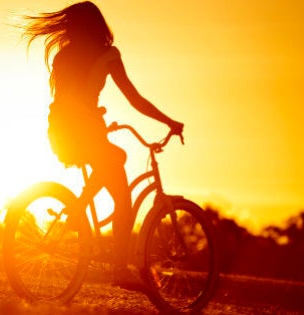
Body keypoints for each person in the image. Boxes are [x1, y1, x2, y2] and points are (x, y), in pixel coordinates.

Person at [21, 1, 184, 286]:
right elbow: (134, 99)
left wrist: (93, 115)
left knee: (114, 158)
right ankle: (119, 269)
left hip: (60, 131)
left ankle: (78, 208)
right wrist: (169, 122)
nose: (68, 30)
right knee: (122, 195)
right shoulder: (108, 54)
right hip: (84, 129)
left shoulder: (63, 57)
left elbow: (67, 101)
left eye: (71, 25)